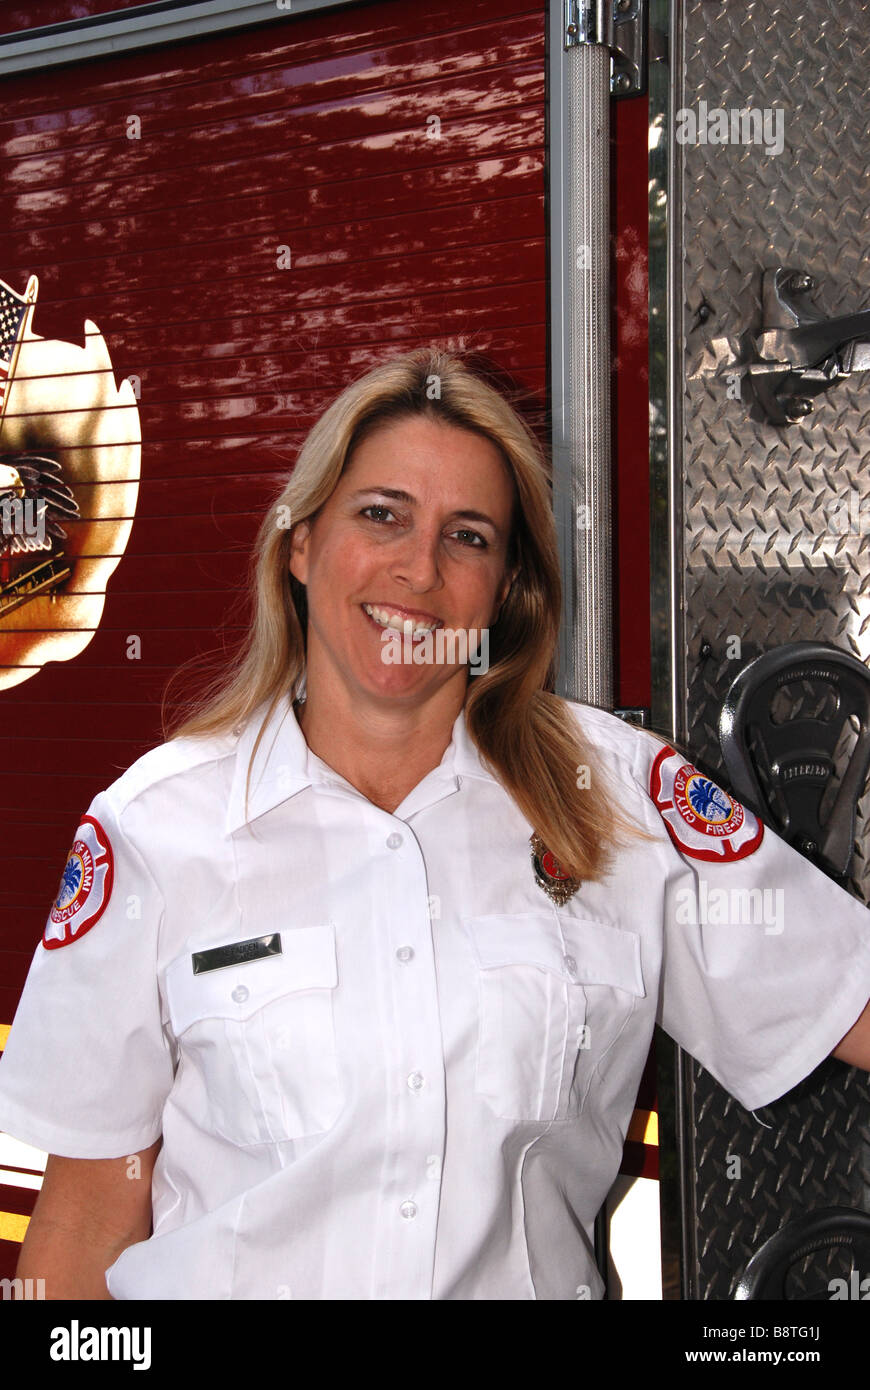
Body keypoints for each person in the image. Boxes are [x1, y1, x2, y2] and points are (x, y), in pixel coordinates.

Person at [1, 347, 869, 1301]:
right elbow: (86, 1221)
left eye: (468, 536)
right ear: (300, 545)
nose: (419, 570)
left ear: (505, 587)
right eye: (382, 515)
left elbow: (846, 994)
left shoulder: (616, 796)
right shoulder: (155, 829)